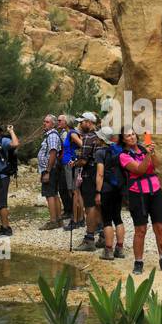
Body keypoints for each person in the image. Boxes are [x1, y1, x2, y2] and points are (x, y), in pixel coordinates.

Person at [118, 128, 162, 274]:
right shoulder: (123, 156)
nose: (132, 137)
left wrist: (152, 152)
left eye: (133, 134)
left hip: (155, 190)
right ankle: (138, 262)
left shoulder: (143, 148)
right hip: (137, 193)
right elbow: (139, 170)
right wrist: (147, 154)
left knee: (160, 226)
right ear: (123, 140)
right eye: (128, 136)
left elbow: (156, 165)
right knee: (140, 229)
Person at [94, 127, 126, 260]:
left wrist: (97, 192)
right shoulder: (119, 150)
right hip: (118, 188)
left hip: (106, 189)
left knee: (107, 220)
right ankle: (120, 248)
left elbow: (100, 174)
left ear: (102, 139)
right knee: (117, 218)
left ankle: (108, 250)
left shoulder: (100, 152)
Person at [75, 111, 101, 251]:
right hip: (100, 173)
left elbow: (83, 160)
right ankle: (103, 235)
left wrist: (74, 163)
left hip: (89, 175)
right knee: (99, 205)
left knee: (89, 206)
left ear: (89, 123)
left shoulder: (88, 138)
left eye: (82, 122)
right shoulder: (100, 136)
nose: (80, 124)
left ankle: (89, 238)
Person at [37, 114, 64, 230]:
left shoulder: (52, 135)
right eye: (44, 121)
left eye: (47, 122)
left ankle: (53, 221)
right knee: (54, 193)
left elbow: (53, 153)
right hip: (51, 168)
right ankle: (58, 220)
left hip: (50, 169)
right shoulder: (49, 135)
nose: (44, 123)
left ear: (53, 124)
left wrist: (47, 171)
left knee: (49, 194)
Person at [58, 113, 83, 230]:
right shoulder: (71, 132)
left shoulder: (72, 133)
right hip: (70, 165)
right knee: (75, 193)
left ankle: (75, 220)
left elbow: (83, 145)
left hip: (72, 166)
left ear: (67, 123)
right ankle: (80, 219)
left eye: (61, 121)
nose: (59, 122)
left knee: (74, 193)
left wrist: (76, 158)